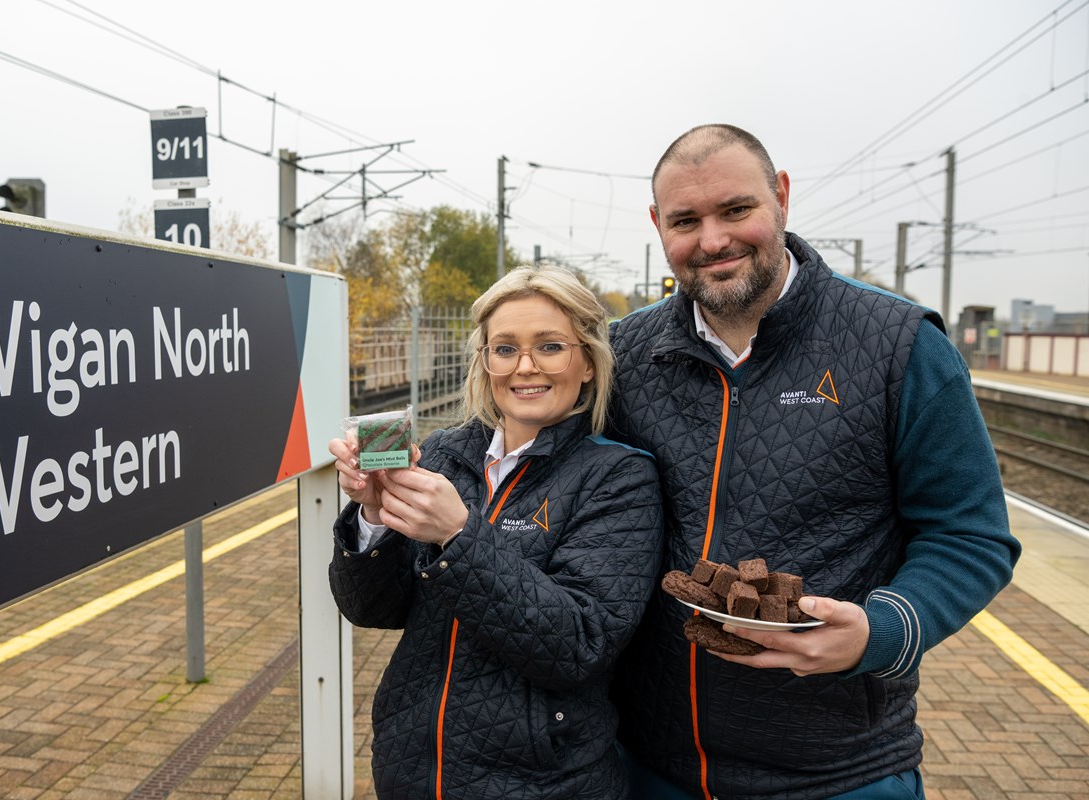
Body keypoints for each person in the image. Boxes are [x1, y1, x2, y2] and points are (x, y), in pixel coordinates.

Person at [608, 123, 1022, 800]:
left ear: (781, 197)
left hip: (840, 772)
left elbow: (970, 535)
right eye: (686, 220)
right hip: (651, 765)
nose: (713, 240)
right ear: (658, 225)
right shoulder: (623, 354)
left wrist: (881, 630)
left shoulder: (900, 346)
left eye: (736, 210)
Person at [328, 265, 664, 799]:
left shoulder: (619, 478)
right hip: (414, 770)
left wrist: (459, 536)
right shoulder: (442, 456)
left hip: (542, 783)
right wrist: (372, 517)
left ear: (588, 365)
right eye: (504, 348)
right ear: (485, 363)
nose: (524, 367)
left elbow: (581, 643)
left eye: (550, 346)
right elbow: (372, 609)